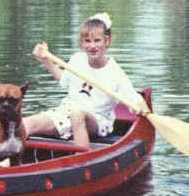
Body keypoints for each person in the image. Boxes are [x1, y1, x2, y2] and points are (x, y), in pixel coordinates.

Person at [23, 12, 150, 148]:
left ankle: (80, 161)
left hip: (97, 120)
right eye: (87, 41)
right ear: (81, 43)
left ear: (107, 41)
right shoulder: (77, 60)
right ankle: (6, 164)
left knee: (77, 115)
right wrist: (46, 61)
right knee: (24, 124)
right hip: (67, 112)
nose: (92, 46)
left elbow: (134, 99)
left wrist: (142, 106)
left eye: (97, 40)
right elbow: (64, 80)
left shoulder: (115, 72)